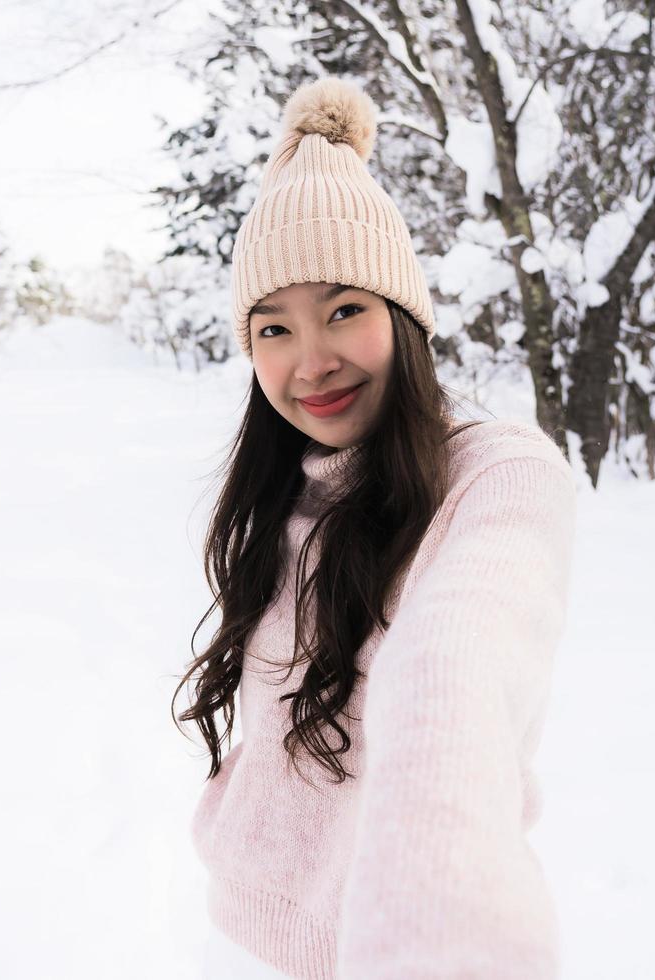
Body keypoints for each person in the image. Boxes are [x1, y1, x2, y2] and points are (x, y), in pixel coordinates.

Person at [172, 75, 578, 979]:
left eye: (344, 309)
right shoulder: (281, 487)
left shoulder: (499, 477)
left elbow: (450, 677)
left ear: (405, 315)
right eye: (272, 329)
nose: (308, 362)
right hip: (235, 939)